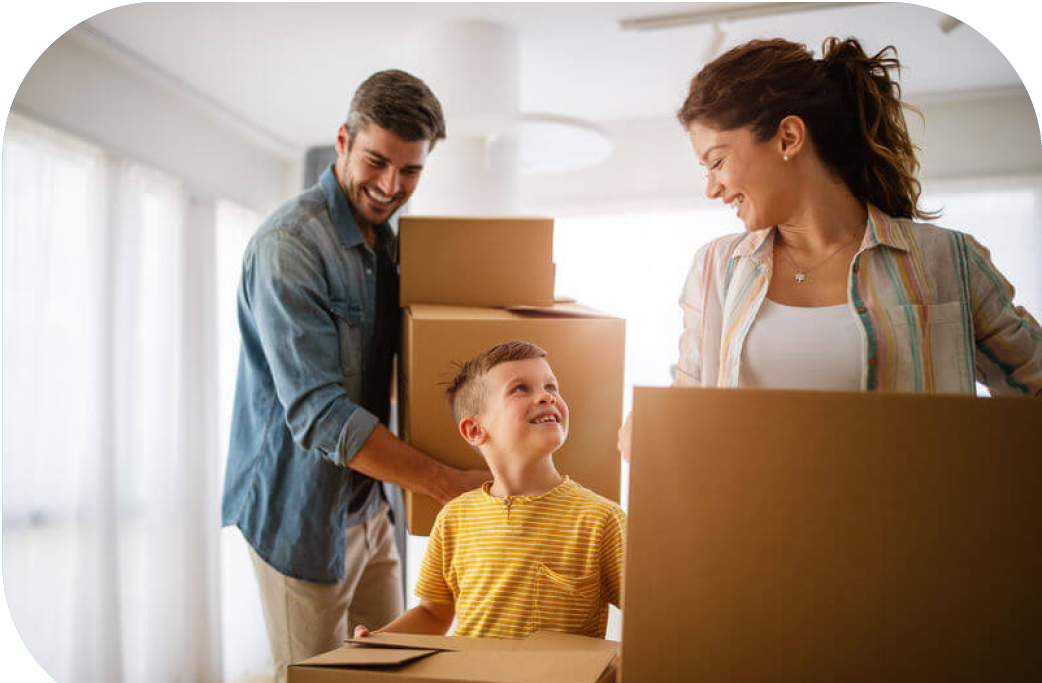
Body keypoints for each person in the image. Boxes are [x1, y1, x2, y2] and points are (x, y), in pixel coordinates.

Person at [619, 36, 1042, 460]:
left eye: (716, 162)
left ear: (788, 137)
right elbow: (689, 403)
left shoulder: (945, 262)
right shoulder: (716, 268)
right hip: (752, 524)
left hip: (909, 526)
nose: (713, 188)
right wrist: (648, 431)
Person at [221, 69, 487, 683]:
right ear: (343, 140)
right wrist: (446, 485)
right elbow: (320, 416)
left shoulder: (392, 247)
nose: (391, 186)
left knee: (388, 681)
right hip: (300, 516)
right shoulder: (290, 246)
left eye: (411, 171)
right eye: (376, 161)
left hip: (372, 510)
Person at [354, 340, 626, 640]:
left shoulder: (602, 519)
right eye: (520, 388)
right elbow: (433, 614)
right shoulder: (453, 519)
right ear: (475, 431)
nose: (546, 397)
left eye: (551, 386)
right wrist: (377, 641)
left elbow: (649, 611)